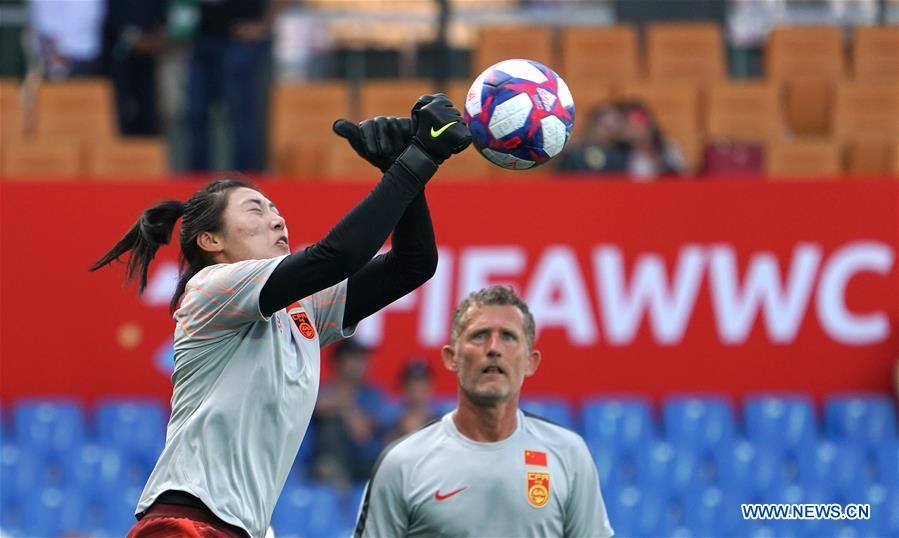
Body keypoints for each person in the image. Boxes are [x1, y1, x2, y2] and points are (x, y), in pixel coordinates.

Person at [89, 93, 471, 538]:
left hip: (244, 529)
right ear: (211, 241)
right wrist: (420, 158)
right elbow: (336, 256)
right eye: (256, 209)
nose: (277, 220)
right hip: (186, 523)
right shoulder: (210, 288)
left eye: (277, 210)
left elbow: (413, 265)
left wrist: (402, 168)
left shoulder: (301, 312)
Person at [353, 286, 613, 538]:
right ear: (451, 358)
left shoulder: (569, 454)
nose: (493, 348)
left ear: (530, 362)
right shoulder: (402, 462)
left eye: (508, 337)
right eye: (479, 335)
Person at [312, 338, 387, 487]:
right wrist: (342, 407)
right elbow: (316, 407)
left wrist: (344, 408)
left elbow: (362, 433)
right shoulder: (321, 389)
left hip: (365, 461)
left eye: (362, 358)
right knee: (330, 424)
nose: (360, 363)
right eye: (354, 358)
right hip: (331, 460)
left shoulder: (371, 394)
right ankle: (334, 474)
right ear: (338, 362)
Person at [383, 357, 438, 444]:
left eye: (422, 380)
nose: (417, 385)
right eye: (412, 381)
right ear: (402, 386)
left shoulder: (443, 416)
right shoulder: (389, 418)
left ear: (431, 384)